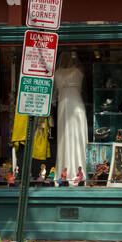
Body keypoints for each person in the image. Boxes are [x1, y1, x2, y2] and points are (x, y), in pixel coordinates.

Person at [53, 52, 88, 180]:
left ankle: (66, 169)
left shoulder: (57, 72)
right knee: (73, 137)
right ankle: (77, 170)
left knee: (66, 137)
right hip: (76, 105)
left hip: (65, 106)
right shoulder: (78, 71)